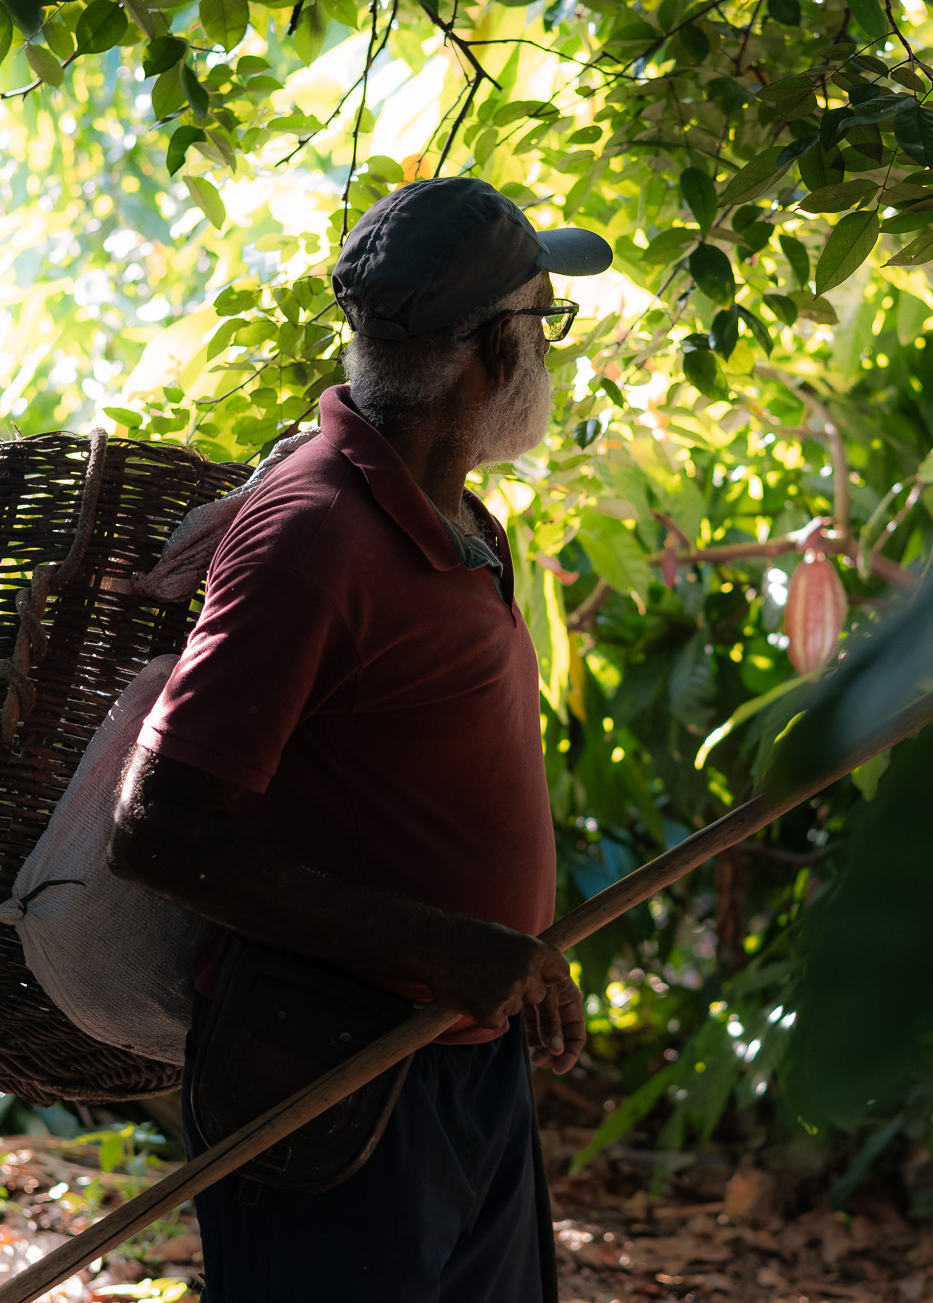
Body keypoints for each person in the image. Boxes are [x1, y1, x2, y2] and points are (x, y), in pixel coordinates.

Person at [108, 176, 613, 1302]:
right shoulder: (312, 534)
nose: (551, 352)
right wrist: (442, 948)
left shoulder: (453, 516)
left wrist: (500, 960)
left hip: (460, 1061)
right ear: (490, 350)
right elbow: (160, 833)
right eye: (545, 323)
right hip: (335, 1078)